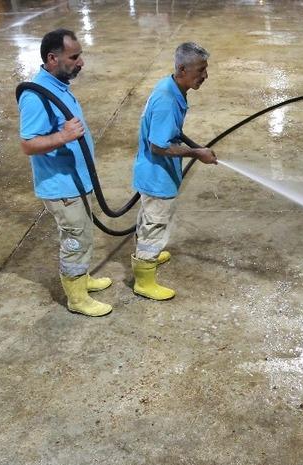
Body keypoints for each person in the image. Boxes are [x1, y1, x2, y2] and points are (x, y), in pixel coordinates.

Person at [17, 28, 112, 317]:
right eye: (74, 56)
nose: (81, 62)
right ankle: (76, 298)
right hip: (62, 187)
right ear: (52, 58)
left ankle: (82, 280)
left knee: (84, 233)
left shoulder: (58, 86)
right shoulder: (36, 97)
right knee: (75, 238)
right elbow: (28, 144)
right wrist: (64, 137)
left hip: (77, 181)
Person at [131, 42, 218, 300]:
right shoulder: (168, 100)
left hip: (155, 173)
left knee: (151, 219)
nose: (204, 76)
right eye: (200, 70)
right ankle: (144, 281)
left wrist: (195, 146)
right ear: (181, 68)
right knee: (155, 224)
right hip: (156, 175)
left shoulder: (170, 86)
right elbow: (158, 146)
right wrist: (196, 153)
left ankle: (149, 256)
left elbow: (170, 132)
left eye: (205, 69)